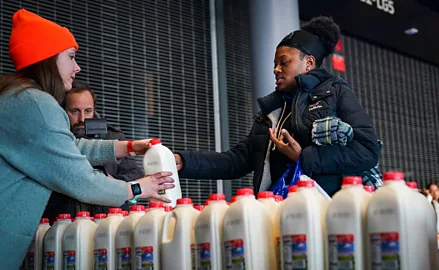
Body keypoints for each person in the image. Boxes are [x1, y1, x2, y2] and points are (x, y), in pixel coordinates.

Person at [0, 9, 174, 268]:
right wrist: (138, 189)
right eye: (70, 57)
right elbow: (81, 180)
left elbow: (68, 147)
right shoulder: (36, 104)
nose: (77, 67)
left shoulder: (18, 98)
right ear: (47, 59)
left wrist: (125, 147)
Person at [175, 16, 379, 196]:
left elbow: (367, 151)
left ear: (308, 63)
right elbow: (236, 161)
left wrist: (304, 157)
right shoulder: (271, 111)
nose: (276, 70)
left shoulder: (335, 92)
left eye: (284, 62)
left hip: (326, 210)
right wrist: (184, 161)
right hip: (278, 211)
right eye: (274, 64)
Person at [43, 81, 145, 221]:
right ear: (62, 110)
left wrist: (113, 184)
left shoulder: (113, 137)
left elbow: (135, 175)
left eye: (88, 111)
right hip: (64, 222)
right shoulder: (54, 138)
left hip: (111, 220)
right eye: (75, 111)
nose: (82, 119)